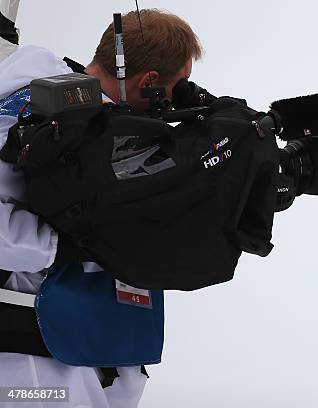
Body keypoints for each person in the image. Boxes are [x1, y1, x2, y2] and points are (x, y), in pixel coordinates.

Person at [0, 7, 201, 408]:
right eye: (180, 86)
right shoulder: (32, 115)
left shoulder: (104, 122)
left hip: (97, 347)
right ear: (149, 82)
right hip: (34, 362)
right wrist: (76, 246)